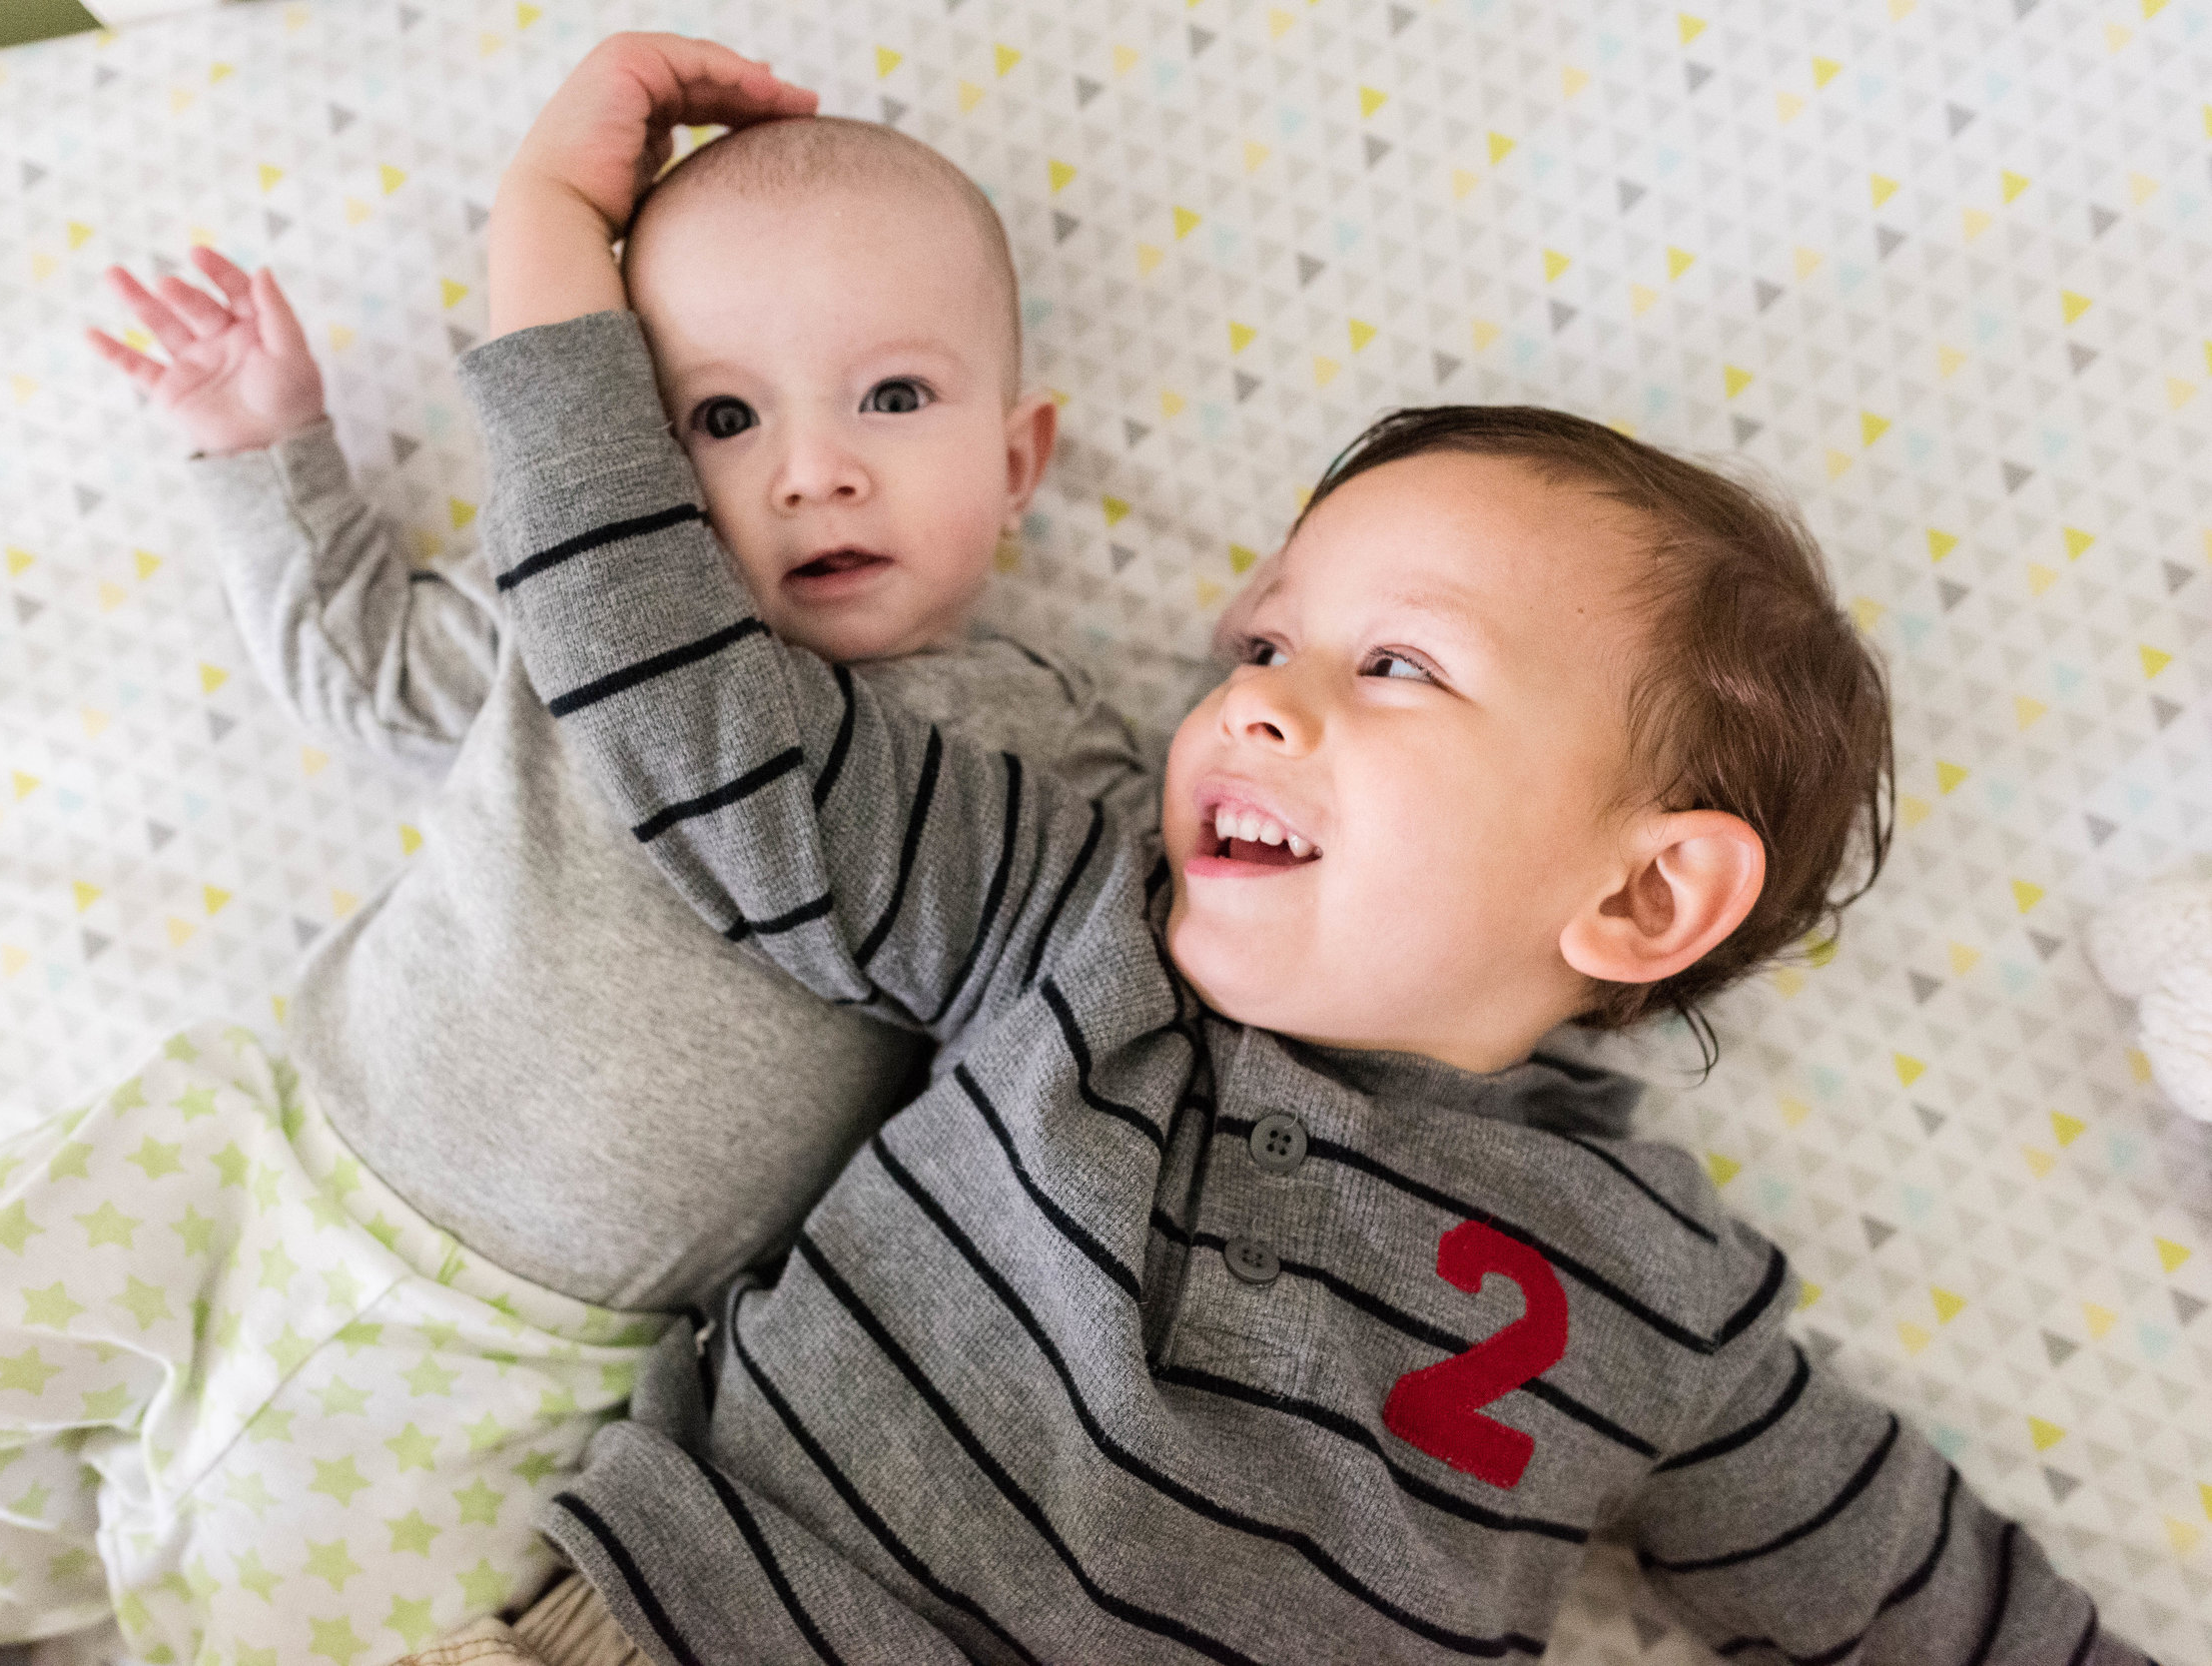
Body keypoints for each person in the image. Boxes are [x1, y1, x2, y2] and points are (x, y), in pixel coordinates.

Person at [443, 32, 2149, 1664]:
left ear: (1642, 892)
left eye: (1393, 665)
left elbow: (1943, 1613)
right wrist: (546, 248)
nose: (1251, 703)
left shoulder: (1655, 1296)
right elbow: (689, 720)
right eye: (1263, 648)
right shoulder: (1066, 916)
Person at [0, 62, 1147, 1666]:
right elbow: (367, 666)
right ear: (640, 459)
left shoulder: (1037, 756)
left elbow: (1118, 1002)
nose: (815, 468)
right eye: (724, 418)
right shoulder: (597, 618)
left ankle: (88, 1593)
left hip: (528, 1352)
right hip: (269, 1145)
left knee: (282, 1619)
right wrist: (267, 455)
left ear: (1019, 459)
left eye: (893, 398)